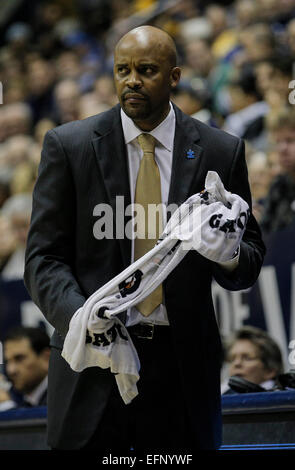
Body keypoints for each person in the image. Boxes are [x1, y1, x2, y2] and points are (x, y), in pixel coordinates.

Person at [24, 25, 265, 452]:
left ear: (174, 77)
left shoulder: (218, 150)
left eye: (146, 70)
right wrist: (83, 317)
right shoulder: (70, 145)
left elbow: (248, 260)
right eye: (122, 70)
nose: (131, 80)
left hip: (181, 367)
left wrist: (228, 253)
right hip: (92, 363)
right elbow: (43, 258)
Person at [260, 106, 295, 233]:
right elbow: (267, 236)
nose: (282, 149)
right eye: (278, 141)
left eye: (290, 140)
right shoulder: (279, 184)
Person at [222, 325, 284, 394]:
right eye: (232, 359)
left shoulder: (286, 400)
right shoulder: (223, 395)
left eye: (247, 358)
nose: (236, 363)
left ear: (270, 370)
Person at [0, 326, 50, 408]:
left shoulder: (61, 399)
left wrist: (6, 406)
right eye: (7, 361)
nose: (11, 370)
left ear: (46, 358)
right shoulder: (24, 399)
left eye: (19, 359)